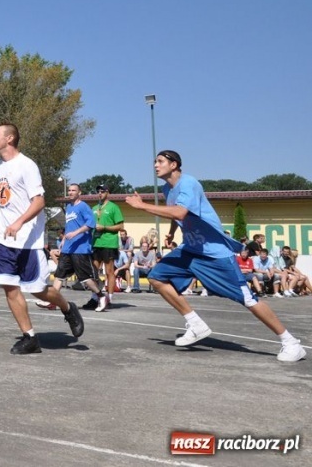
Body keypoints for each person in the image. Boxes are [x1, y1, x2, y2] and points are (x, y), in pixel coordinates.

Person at [124, 150, 305, 362]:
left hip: (214, 254)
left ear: (174, 165)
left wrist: (141, 206)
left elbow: (180, 212)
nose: (155, 165)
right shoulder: (167, 188)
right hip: (190, 249)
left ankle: (290, 342)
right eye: (155, 161)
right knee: (156, 276)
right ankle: (195, 323)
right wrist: (173, 232)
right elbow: (175, 212)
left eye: (160, 161)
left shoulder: (189, 183)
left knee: (247, 299)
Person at [0, 123, 84, 354]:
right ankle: (29, 337)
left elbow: (39, 201)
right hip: (3, 239)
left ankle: (68, 307)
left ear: (10, 138)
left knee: (38, 290)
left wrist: (19, 222)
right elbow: (2, 204)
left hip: (27, 241)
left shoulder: (27, 165)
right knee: (9, 287)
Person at [50, 183, 107, 311]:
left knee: (85, 278)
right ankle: (52, 301)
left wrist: (75, 233)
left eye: (73, 190)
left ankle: (101, 296)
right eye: (69, 190)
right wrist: (64, 238)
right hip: (68, 248)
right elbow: (69, 226)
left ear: (79, 192)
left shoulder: (84, 207)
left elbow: (91, 224)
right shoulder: (68, 207)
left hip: (80, 248)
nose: (70, 192)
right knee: (59, 274)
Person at [89, 184, 125, 308]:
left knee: (109, 271)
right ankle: (95, 297)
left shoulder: (113, 207)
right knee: (93, 272)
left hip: (109, 243)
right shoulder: (94, 208)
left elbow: (120, 226)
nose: (100, 193)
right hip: (96, 242)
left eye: (102, 191)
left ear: (107, 192)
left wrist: (104, 227)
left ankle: (109, 297)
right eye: (98, 191)